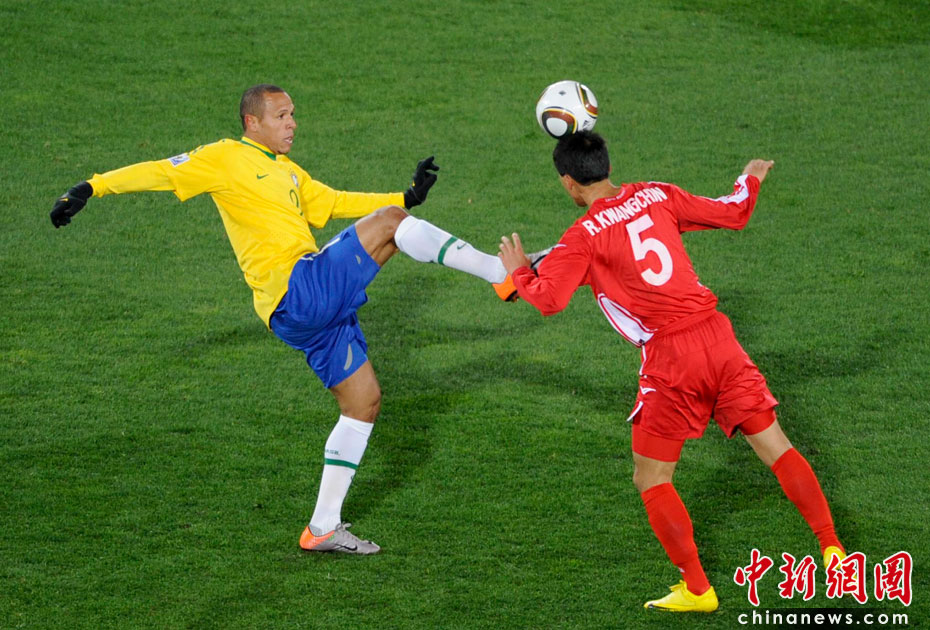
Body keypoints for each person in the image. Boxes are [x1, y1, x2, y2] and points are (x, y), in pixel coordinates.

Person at [50, 83, 518, 555]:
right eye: (281, 116)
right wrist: (92, 186)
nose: (292, 124)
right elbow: (160, 171)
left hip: (298, 314)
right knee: (391, 224)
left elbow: (330, 202)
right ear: (252, 122)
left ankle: (322, 528)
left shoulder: (288, 171)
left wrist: (407, 194)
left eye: (293, 114)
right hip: (299, 288)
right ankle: (501, 274)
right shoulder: (225, 157)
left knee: (363, 403)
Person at [497, 131, 846, 612]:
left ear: (568, 183)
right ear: (607, 166)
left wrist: (519, 272)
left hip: (670, 358)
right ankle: (832, 549)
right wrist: (750, 178)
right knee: (777, 447)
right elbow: (734, 212)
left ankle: (698, 590)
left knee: (653, 479)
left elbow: (550, 300)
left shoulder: (582, 237)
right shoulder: (656, 193)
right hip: (719, 339)